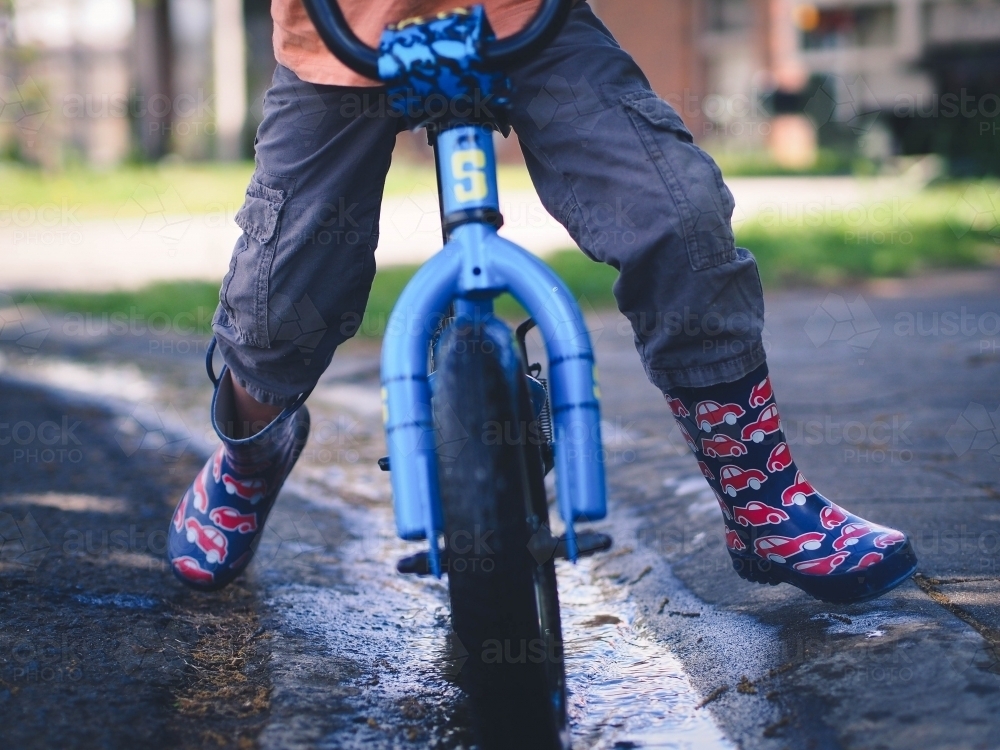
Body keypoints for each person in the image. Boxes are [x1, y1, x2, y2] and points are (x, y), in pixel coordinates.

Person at [167, 0, 917, 601]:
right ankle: (251, 457)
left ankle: (763, 499)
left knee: (675, 215)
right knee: (278, 294)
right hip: (341, 35)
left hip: (529, 20)